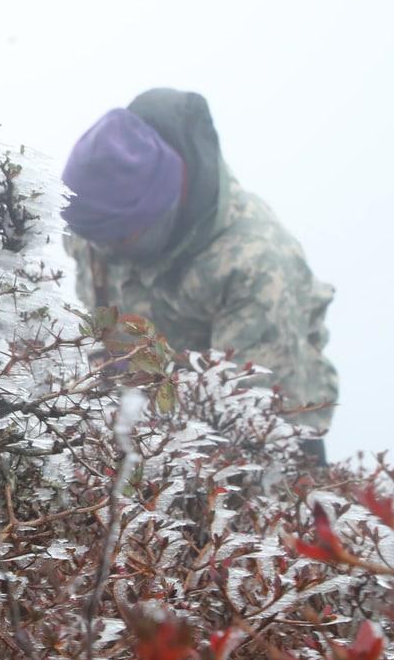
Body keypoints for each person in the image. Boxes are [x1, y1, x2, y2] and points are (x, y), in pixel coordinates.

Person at [62, 88, 338, 463]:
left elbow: (251, 424)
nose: (100, 251)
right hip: (138, 426)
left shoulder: (254, 265)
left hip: (259, 444)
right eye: (94, 240)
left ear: (162, 211)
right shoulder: (98, 223)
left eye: (119, 238)